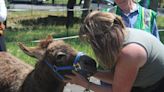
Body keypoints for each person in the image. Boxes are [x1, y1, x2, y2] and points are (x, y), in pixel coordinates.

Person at [64, 11, 164, 92]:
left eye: (91, 41)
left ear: (101, 39)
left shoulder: (129, 53)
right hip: (148, 82)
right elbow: (120, 78)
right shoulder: (124, 33)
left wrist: (84, 83)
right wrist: (92, 72)